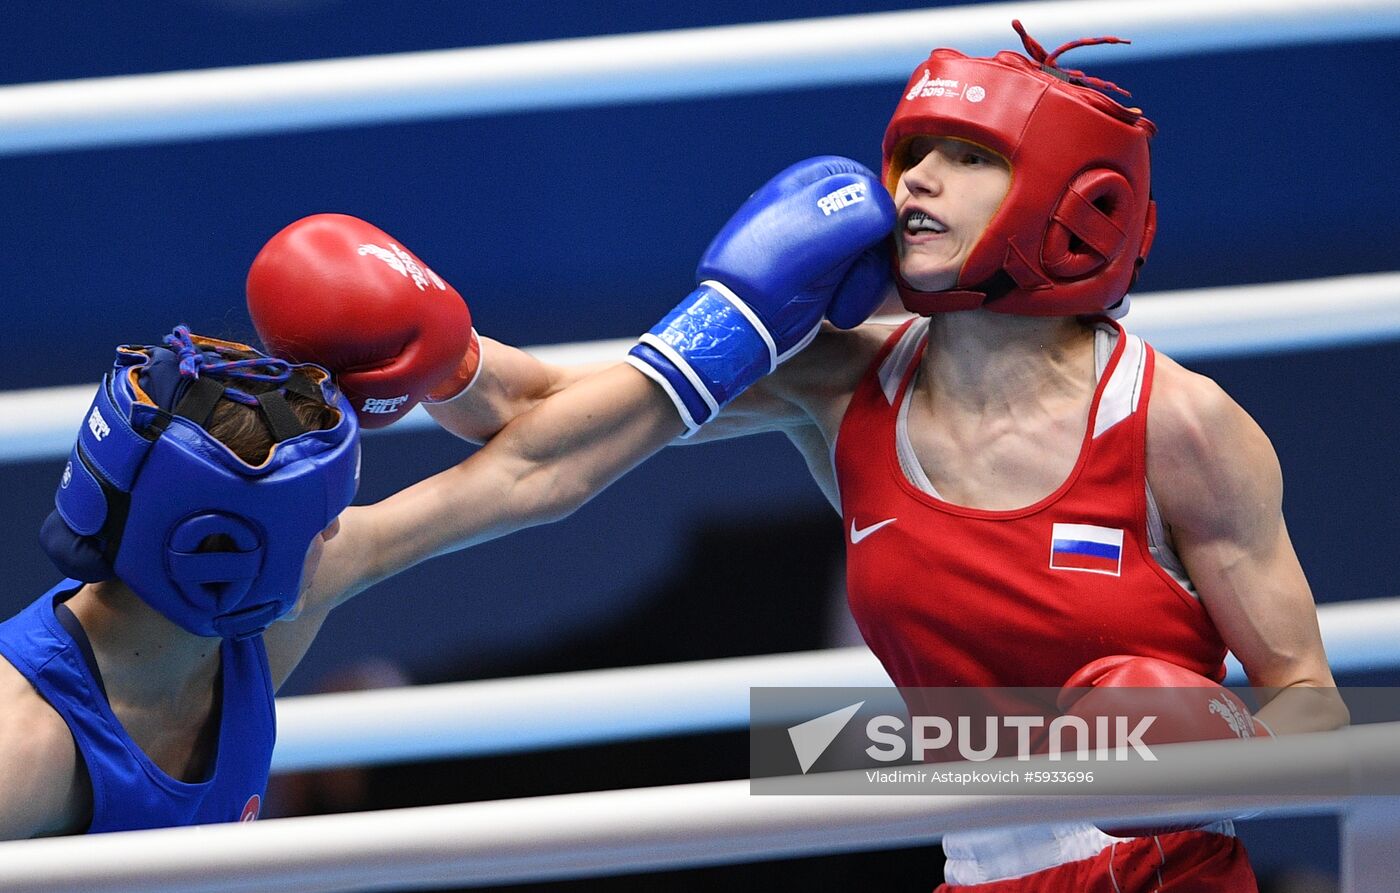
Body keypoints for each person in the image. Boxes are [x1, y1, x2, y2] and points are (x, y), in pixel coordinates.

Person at [422, 21, 1349, 892]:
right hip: (977, 867)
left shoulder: (1178, 422)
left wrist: (1221, 753)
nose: (919, 182)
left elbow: (1313, 704)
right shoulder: (838, 378)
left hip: (1170, 870)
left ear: (1079, 202)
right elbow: (543, 404)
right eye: (915, 154)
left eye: (970, 156)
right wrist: (426, 345)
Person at [0, 156, 894, 839]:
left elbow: (528, 471)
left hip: (958, 752)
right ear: (227, 563)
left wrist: (458, 363)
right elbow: (534, 443)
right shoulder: (25, 747)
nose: (339, 530)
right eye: (318, 519)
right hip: (934, 749)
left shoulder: (257, 609)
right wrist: (740, 320)